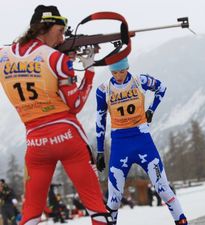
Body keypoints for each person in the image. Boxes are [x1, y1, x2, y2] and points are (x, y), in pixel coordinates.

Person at [0, 5, 112, 225]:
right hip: (68, 137)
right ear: (45, 28)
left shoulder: (3, 55)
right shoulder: (57, 59)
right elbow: (76, 103)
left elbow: (29, 61)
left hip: (35, 142)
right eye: (60, 31)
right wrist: (88, 69)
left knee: (30, 213)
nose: (62, 38)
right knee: (96, 207)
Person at [95, 57, 188, 225]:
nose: (119, 76)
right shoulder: (103, 90)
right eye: (114, 72)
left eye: (122, 71)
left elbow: (162, 88)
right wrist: (100, 151)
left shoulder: (140, 81)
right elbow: (99, 120)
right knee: (114, 199)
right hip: (120, 145)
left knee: (163, 189)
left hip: (143, 141)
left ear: (127, 67)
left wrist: (151, 109)